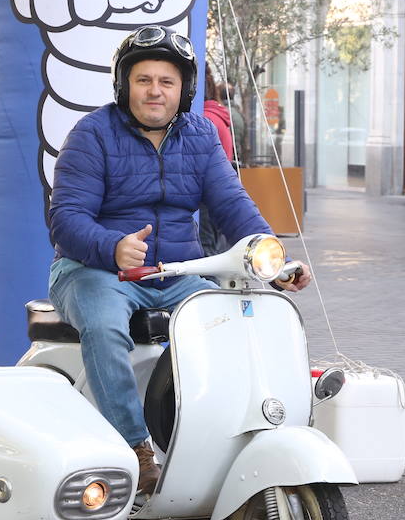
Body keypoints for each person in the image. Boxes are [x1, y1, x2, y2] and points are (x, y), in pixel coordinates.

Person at [48, 25, 311, 494]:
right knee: (106, 325)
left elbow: (233, 205)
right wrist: (112, 246)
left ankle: (223, 432)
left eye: (166, 82)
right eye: (144, 80)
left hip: (178, 272)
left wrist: (273, 258)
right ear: (124, 84)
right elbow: (66, 217)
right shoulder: (92, 135)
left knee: (235, 317)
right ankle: (136, 448)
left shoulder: (200, 134)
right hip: (95, 270)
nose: (155, 91)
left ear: (183, 89)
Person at [198, 71, 235, 255]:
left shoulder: (204, 120)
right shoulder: (216, 115)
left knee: (206, 249)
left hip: (208, 196)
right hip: (216, 192)